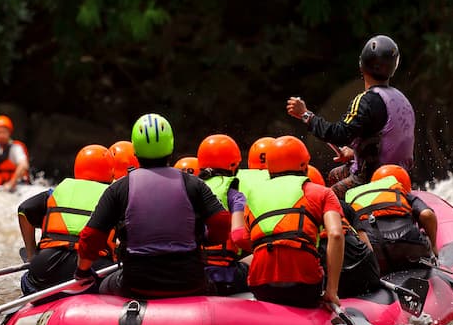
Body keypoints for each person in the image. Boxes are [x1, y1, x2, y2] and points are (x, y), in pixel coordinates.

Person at [74, 114, 230, 298]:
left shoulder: (119, 188)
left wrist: (82, 272)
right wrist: (203, 238)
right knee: (213, 286)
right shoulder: (194, 184)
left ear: (135, 150)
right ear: (171, 146)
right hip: (190, 282)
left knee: (103, 287)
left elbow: (91, 237)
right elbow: (222, 224)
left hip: (137, 284)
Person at [286, 34, 415, 200]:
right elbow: (387, 137)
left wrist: (305, 115)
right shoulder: (402, 99)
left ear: (362, 65)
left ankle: (344, 223)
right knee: (334, 175)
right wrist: (355, 152)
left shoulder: (366, 100)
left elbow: (339, 134)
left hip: (372, 177)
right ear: (394, 67)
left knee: (327, 198)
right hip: (401, 175)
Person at [232, 136, 345, 309]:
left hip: (261, 284)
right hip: (304, 284)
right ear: (304, 165)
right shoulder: (322, 193)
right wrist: (332, 291)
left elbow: (246, 239)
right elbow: (336, 234)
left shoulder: (253, 195)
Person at [17, 145, 117, 294]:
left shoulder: (56, 191)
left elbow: (23, 210)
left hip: (47, 264)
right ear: (110, 170)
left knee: (27, 280)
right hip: (92, 268)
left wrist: (32, 254)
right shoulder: (114, 194)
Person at [342, 164, 438, 274]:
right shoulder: (398, 190)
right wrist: (434, 247)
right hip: (408, 246)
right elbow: (427, 215)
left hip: (373, 254)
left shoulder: (351, 198)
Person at [196, 134, 250, 295]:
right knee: (260, 257)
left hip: (192, 273)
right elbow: (239, 236)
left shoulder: (190, 187)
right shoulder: (234, 195)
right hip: (224, 276)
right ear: (233, 165)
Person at [0, 115, 31, 190]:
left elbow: (24, 165)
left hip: (19, 186)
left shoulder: (16, 148)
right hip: (2, 186)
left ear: (9, 133)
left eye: (4, 132)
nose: (1, 135)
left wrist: (12, 183)